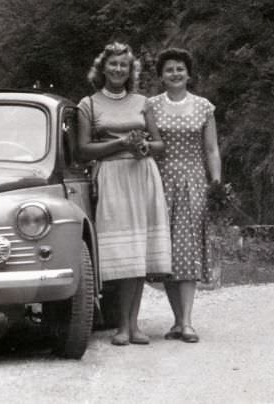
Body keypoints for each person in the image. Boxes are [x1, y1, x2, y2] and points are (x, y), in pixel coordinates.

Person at [77, 42, 172, 346]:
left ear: (131, 71)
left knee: (139, 251)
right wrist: (119, 145)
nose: (119, 69)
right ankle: (120, 326)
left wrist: (144, 147)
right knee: (120, 252)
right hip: (112, 176)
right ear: (102, 67)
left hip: (141, 175)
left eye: (124, 65)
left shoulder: (143, 102)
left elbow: (159, 145)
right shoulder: (88, 104)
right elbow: (82, 150)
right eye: (113, 64)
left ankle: (133, 325)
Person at [146, 47, 222, 344]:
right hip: (160, 181)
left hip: (192, 181)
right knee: (167, 251)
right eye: (169, 70)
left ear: (188, 73)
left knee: (187, 248)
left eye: (180, 69)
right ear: (161, 76)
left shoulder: (204, 107)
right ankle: (177, 321)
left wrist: (215, 183)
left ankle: (188, 322)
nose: (175, 74)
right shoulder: (150, 106)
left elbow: (212, 149)